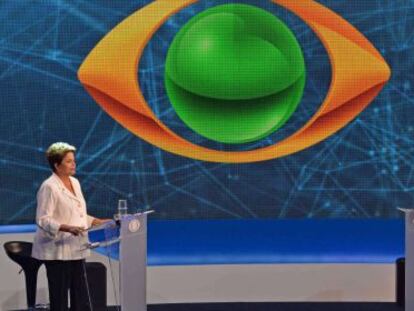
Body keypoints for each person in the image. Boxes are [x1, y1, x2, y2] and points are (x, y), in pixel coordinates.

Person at [32, 142, 110, 311]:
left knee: (80, 296)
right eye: (68, 161)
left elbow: (75, 212)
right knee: (59, 299)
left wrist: (94, 220)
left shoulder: (75, 182)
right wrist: (66, 228)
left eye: (73, 160)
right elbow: (43, 219)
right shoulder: (49, 187)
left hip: (77, 248)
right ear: (56, 165)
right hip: (57, 251)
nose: (74, 164)